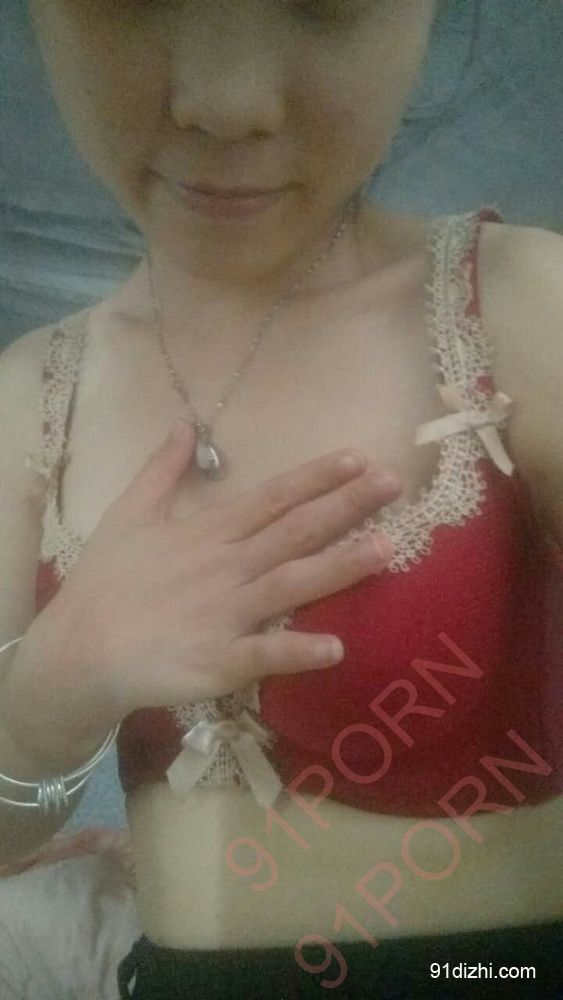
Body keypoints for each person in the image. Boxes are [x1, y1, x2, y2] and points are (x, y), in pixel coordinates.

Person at [0, 0, 562, 996]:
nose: (226, 102)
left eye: (327, 2)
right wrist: (44, 703)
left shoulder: (520, 307)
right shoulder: (23, 402)